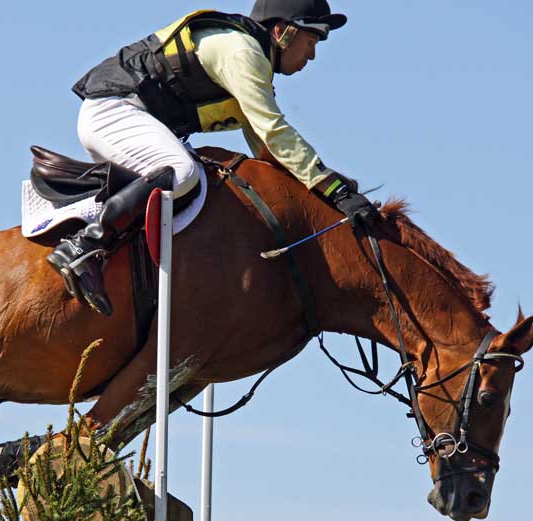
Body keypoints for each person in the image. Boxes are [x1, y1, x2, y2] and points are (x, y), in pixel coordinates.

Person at [48, 0, 381, 316]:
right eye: (312, 40)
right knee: (182, 173)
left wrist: (328, 190)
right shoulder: (242, 52)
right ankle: (81, 247)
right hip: (113, 111)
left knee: (200, 182)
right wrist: (333, 187)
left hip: (126, 115)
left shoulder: (253, 64)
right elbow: (274, 131)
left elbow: (267, 151)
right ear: (283, 31)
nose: (312, 54)